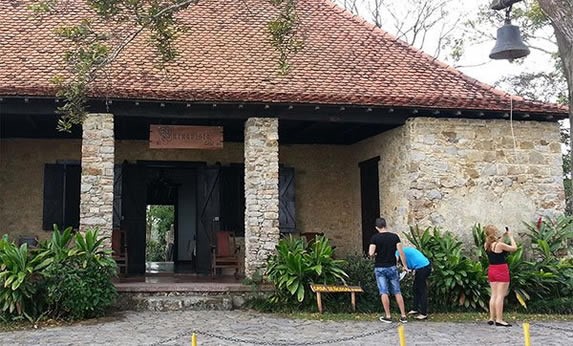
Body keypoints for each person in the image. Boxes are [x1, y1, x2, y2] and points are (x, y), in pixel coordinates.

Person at [369, 217, 409, 323]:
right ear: (385, 225)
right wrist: (404, 266)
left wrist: (377, 253)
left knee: (384, 291)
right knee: (397, 291)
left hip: (380, 267)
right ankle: (403, 315)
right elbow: (401, 252)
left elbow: (371, 253)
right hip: (392, 266)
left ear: (377, 227)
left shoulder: (375, 238)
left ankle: (388, 315)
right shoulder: (394, 237)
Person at [484, 224, 517, 327]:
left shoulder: (486, 244)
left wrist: (503, 236)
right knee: (500, 296)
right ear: (495, 233)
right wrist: (511, 237)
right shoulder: (499, 245)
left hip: (491, 270)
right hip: (501, 269)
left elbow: (497, 243)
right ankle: (499, 319)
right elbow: (514, 248)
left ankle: (491, 317)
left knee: (493, 295)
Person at [396, 246, 432, 320]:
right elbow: (410, 263)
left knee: (422, 290)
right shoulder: (402, 250)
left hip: (422, 267)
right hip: (424, 265)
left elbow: (396, 261)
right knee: (415, 288)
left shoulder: (397, 253)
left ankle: (423, 313)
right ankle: (415, 309)